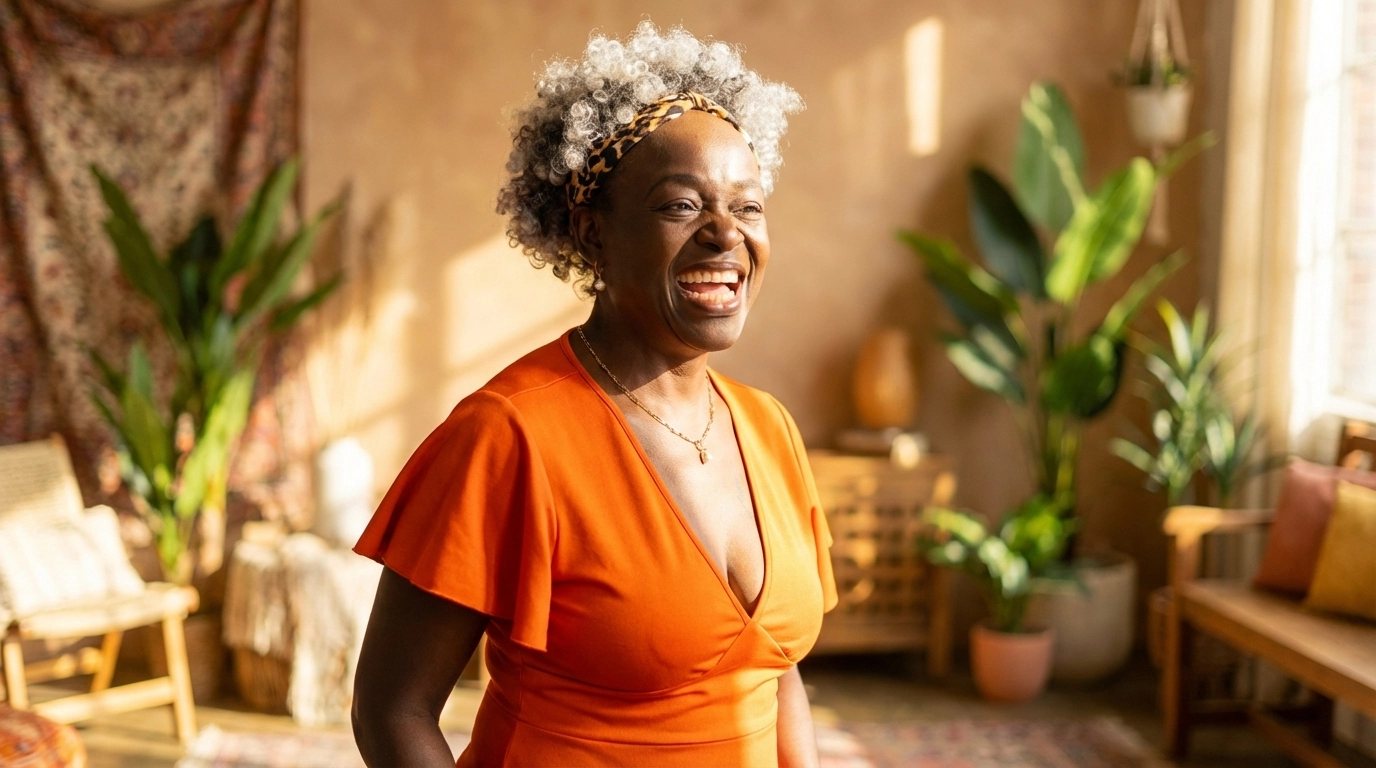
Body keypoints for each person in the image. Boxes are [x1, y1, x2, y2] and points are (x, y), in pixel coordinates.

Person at [351, 21, 836, 767]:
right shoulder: (509, 435)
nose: (725, 234)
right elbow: (393, 710)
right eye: (681, 205)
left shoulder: (769, 429)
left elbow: (776, 673)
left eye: (747, 206)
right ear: (591, 232)